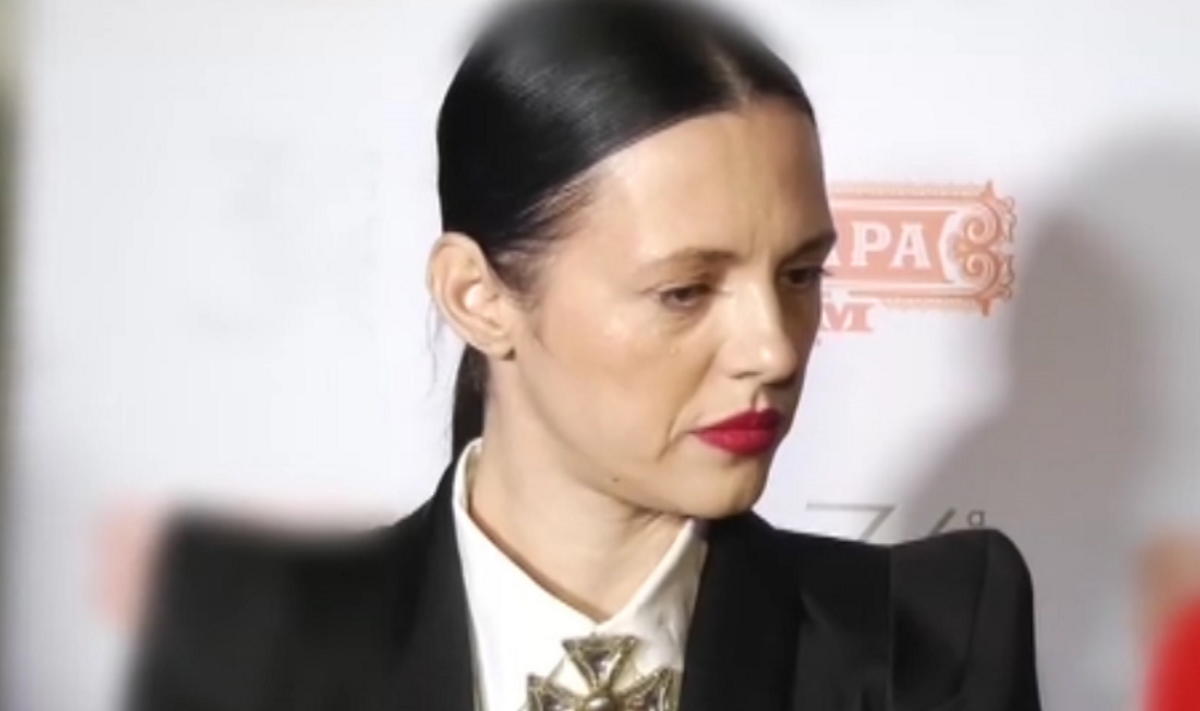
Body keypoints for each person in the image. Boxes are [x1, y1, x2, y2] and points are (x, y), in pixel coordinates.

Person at [125, 1, 1042, 709]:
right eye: (686, 290)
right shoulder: (253, 646)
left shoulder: (931, 639)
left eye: (800, 274)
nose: (774, 347)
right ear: (478, 297)